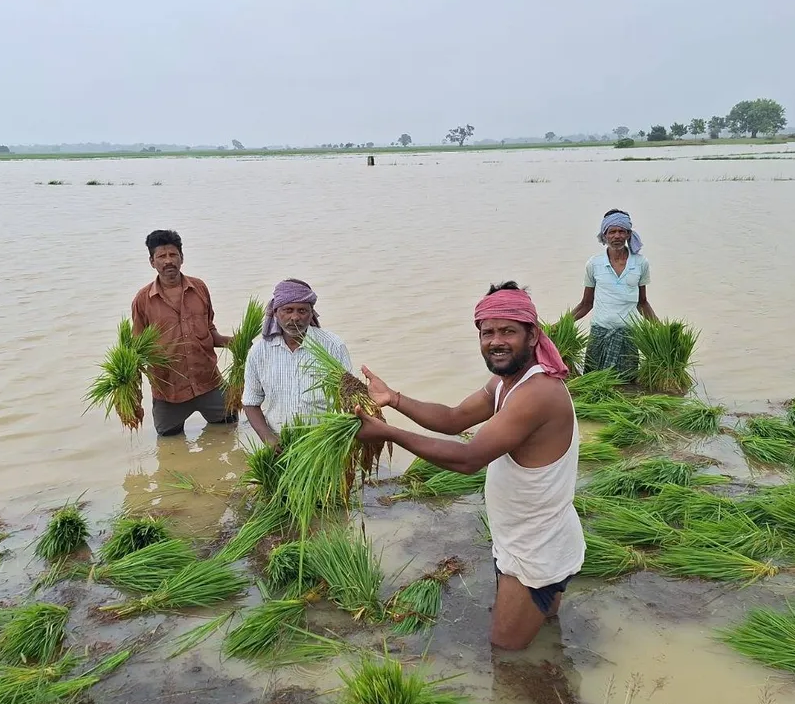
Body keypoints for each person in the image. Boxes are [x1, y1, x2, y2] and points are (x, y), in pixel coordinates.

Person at [353, 282, 584, 650]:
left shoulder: (537, 393)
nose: (496, 341)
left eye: (508, 331)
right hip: (537, 538)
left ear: (532, 335)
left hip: (534, 551)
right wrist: (393, 398)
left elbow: (468, 459)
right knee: (543, 638)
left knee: (505, 655)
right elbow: (453, 418)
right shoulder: (506, 384)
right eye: (487, 332)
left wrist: (388, 433)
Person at [130, 229, 237, 437]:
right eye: (161, 256)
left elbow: (209, 330)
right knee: (169, 443)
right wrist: (130, 389)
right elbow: (137, 350)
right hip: (169, 392)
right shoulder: (142, 300)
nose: (168, 261)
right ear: (152, 262)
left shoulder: (199, 288)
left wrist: (234, 342)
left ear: (182, 257)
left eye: (173, 254)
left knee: (230, 430)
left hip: (209, 382)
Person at [241, 279, 353, 449]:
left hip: (325, 442)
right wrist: (268, 438)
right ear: (276, 312)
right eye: (288, 310)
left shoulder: (332, 346)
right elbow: (251, 402)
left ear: (311, 313)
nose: (295, 317)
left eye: (302, 311)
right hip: (280, 444)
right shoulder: (259, 352)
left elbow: (349, 397)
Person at [570, 209, 658, 377]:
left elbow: (642, 303)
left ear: (628, 234)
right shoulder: (594, 264)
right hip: (599, 334)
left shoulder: (640, 263)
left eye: (621, 231)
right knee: (592, 382)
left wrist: (662, 329)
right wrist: (561, 324)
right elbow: (586, 304)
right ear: (605, 235)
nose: (617, 236)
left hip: (628, 336)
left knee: (627, 382)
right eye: (612, 232)